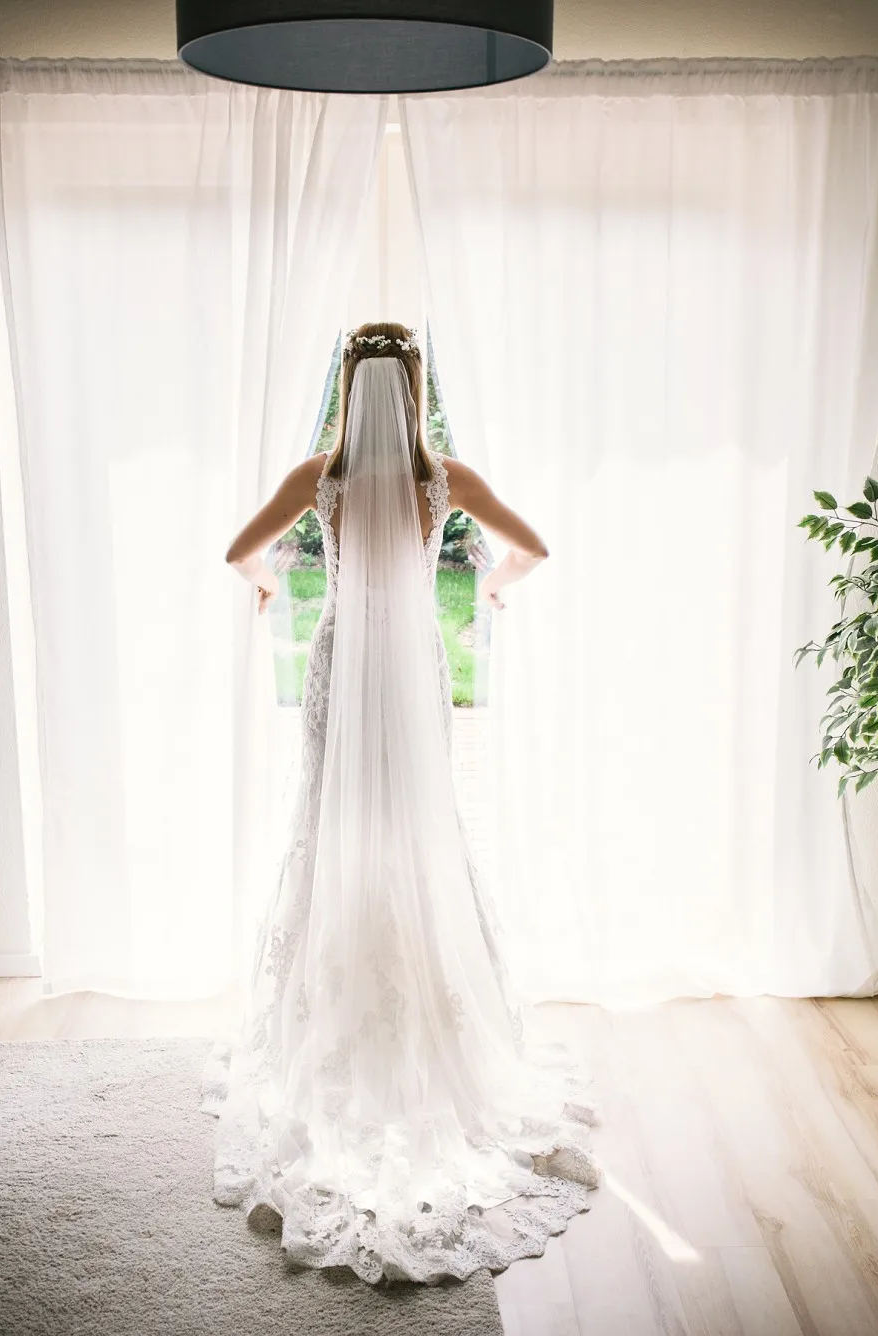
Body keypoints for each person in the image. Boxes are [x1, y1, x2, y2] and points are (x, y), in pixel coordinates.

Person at [203, 323, 595, 1285]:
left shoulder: (318, 479)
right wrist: (493, 587)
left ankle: (335, 999)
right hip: (413, 667)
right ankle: (421, 991)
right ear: (413, 394)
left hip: (344, 660)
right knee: (421, 828)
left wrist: (268, 585)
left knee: (332, 824)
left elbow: (240, 553)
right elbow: (534, 550)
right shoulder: (445, 481)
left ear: (350, 390)